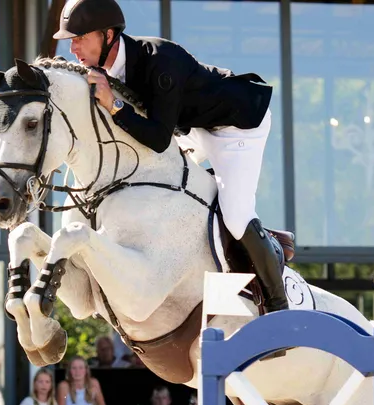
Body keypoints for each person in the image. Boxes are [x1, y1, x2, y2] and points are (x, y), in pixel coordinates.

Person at [52, 0, 288, 313]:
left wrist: (114, 106)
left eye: (79, 38)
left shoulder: (159, 61)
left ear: (107, 35)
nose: (73, 48)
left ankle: (278, 305)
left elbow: (158, 140)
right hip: (193, 128)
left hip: (237, 128)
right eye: (72, 41)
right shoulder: (101, 72)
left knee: (235, 214)